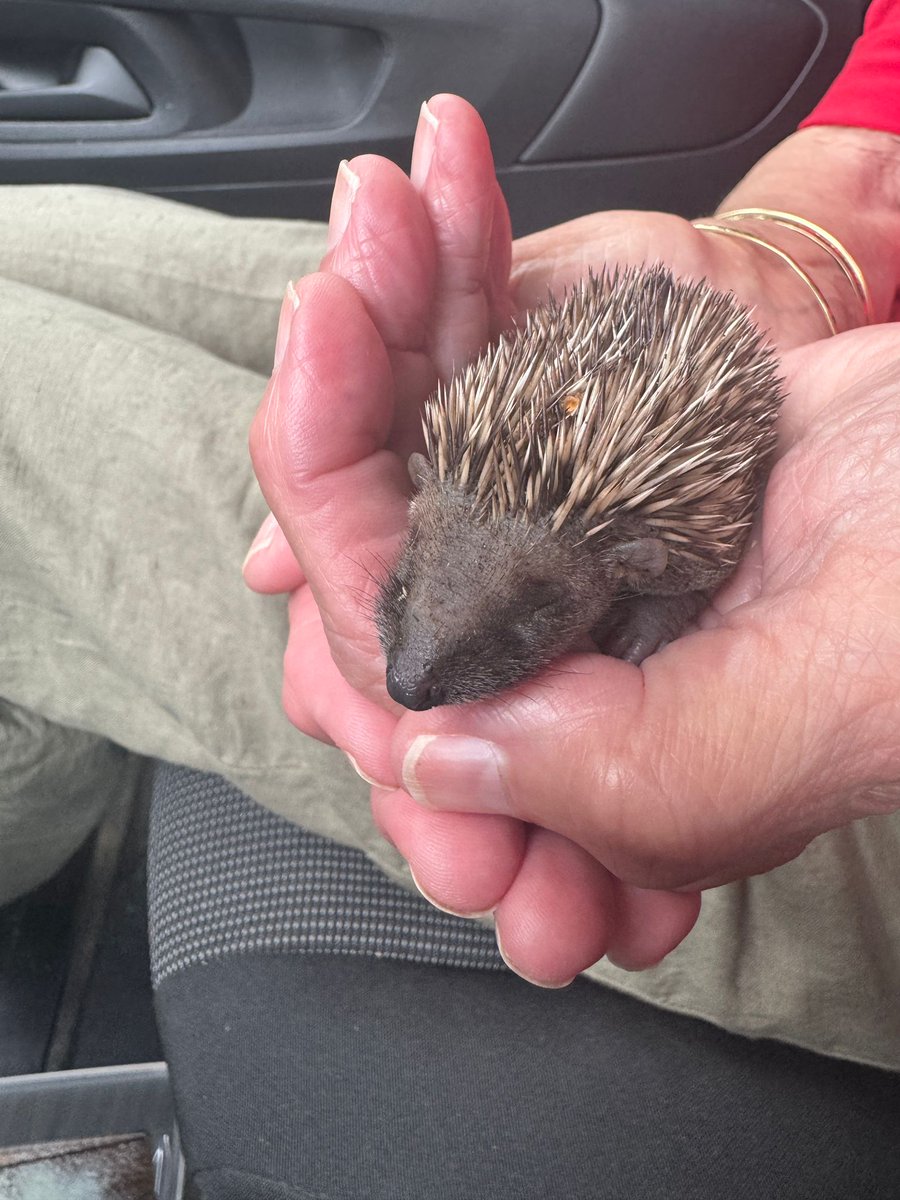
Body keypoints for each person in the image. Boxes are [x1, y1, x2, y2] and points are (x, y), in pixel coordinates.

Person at [0, 0, 897, 1074]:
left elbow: (690, 552)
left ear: (637, 570)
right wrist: (796, 252)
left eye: (520, 614)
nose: (415, 676)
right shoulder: (480, 475)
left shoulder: (667, 551)